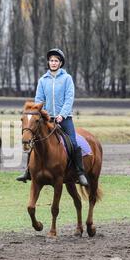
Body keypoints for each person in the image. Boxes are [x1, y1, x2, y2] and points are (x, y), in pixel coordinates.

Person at [16, 48, 89, 187]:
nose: (53, 63)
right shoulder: (43, 80)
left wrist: (62, 115)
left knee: (73, 143)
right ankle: (27, 171)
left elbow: (69, 99)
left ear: (60, 63)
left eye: (56, 61)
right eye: (51, 60)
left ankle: (80, 173)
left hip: (64, 118)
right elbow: (38, 100)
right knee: (34, 141)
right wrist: (42, 114)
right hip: (46, 118)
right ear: (48, 63)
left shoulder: (67, 79)